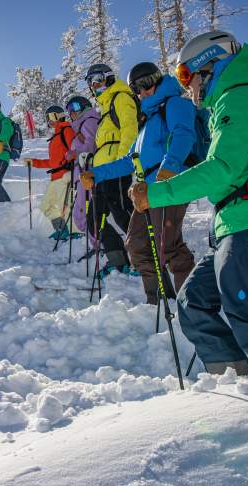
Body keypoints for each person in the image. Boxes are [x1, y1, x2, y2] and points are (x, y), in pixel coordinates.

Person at [129, 31, 248, 376]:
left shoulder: (241, 98)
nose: (187, 86)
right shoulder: (230, 101)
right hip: (236, 221)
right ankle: (233, 382)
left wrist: (155, 192)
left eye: (186, 75)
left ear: (209, 65)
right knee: (192, 303)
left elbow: (221, 169)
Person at [82, 62, 203, 304]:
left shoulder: (175, 104)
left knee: (167, 246)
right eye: (136, 88)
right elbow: (129, 161)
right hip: (147, 190)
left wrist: (169, 168)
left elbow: (183, 134)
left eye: (146, 83)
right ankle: (159, 300)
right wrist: (98, 173)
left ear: (158, 79)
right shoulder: (146, 121)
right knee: (137, 245)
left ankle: (194, 304)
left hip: (170, 182)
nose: (142, 91)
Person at [82, 63, 139, 276]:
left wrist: (122, 163)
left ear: (109, 77)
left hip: (116, 169)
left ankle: (145, 259)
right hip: (101, 173)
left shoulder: (121, 98)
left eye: (97, 78)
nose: (94, 85)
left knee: (124, 214)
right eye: (90, 82)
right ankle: (118, 259)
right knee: (94, 220)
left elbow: (130, 132)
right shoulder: (105, 109)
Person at [24, 106, 76, 240]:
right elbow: (53, 162)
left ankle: (75, 234)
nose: (49, 121)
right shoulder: (56, 136)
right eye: (47, 118)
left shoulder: (67, 130)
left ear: (59, 115)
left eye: (51, 117)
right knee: (46, 205)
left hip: (65, 175)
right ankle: (62, 230)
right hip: (55, 177)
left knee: (66, 207)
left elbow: (75, 151)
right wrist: (34, 162)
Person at [64, 96, 100, 241]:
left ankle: (99, 244)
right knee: (82, 214)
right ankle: (95, 243)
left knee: (84, 214)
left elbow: (91, 147)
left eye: (75, 107)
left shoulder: (89, 121)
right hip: (82, 174)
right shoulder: (81, 125)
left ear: (84, 106)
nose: (72, 112)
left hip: (88, 172)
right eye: (69, 110)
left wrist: (75, 153)